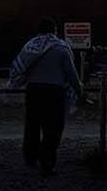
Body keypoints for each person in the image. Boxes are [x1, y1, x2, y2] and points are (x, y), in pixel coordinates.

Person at [7, 18, 84, 175]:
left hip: (34, 90)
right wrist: (80, 92)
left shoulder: (30, 47)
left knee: (32, 125)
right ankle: (47, 161)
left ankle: (30, 156)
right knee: (53, 128)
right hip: (54, 91)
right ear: (55, 31)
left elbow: (20, 66)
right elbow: (71, 74)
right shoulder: (61, 48)